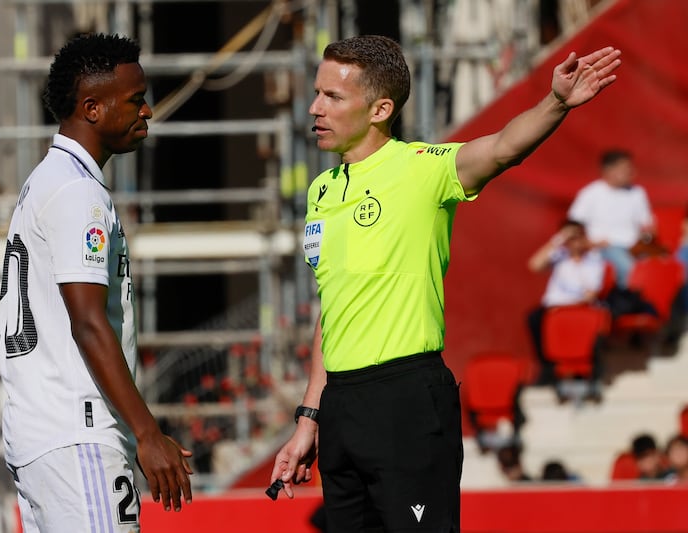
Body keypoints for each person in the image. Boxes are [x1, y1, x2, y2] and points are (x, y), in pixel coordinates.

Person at [269, 34, 621, 532]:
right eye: (317, 93)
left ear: (379, 109)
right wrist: (310, 418)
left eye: (333, 96)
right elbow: (335, 309)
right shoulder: (321, 191)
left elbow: (502, 148)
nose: (314, 108)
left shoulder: (423, 168)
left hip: (406, 397)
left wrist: (555, 102)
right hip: (340, 407)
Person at [0, 33, 192, 532]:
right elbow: (87, 321)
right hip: (77, 433)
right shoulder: (75, 192)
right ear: (92, 108)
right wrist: (147, 432)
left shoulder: (47, 179)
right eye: (135, 99)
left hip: (46, 435)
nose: (146, 110)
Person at [526, 219, 606, 384]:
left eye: (577, 237)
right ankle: (548, 368)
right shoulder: (559, 256)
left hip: (580, 309)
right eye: (570, 238)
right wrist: (559, 240)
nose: (574, 242)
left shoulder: (594, 261)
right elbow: (534, 265)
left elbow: (592, 293)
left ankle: (590, 368)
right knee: (534, 318)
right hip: (552, 309)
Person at [567, 149, 655, 288]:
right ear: (608, 171)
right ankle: (626, 303)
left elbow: (647, 223)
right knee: (629, 268)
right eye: (625, 168)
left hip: (636, 247)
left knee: (661, 267)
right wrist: (588, 243)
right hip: (605, 247)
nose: (630, 172)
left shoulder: (637, 193)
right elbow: (572, 226)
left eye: (630, 168)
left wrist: (647, 236)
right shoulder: (590, 194)